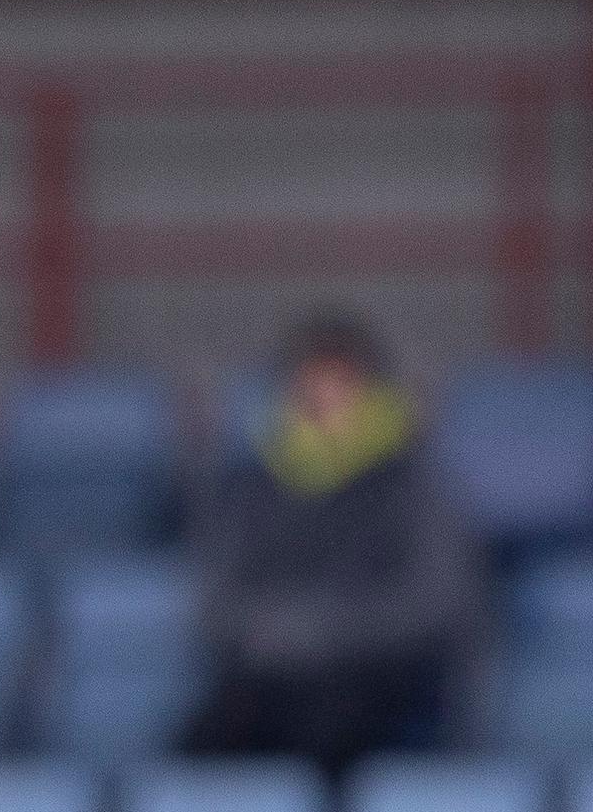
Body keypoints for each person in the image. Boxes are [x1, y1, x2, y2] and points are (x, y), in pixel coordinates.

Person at [182, 312, 473, 772]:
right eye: (312, 389)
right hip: (267, 678)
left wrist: (326, 633)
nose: (325, 403)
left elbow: (437, 602)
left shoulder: (414, 486)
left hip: (380, 683)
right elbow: (219, 605)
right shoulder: (247, 489)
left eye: (341, 388)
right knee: (200, 751)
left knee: (333, 728)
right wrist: (281, 636)